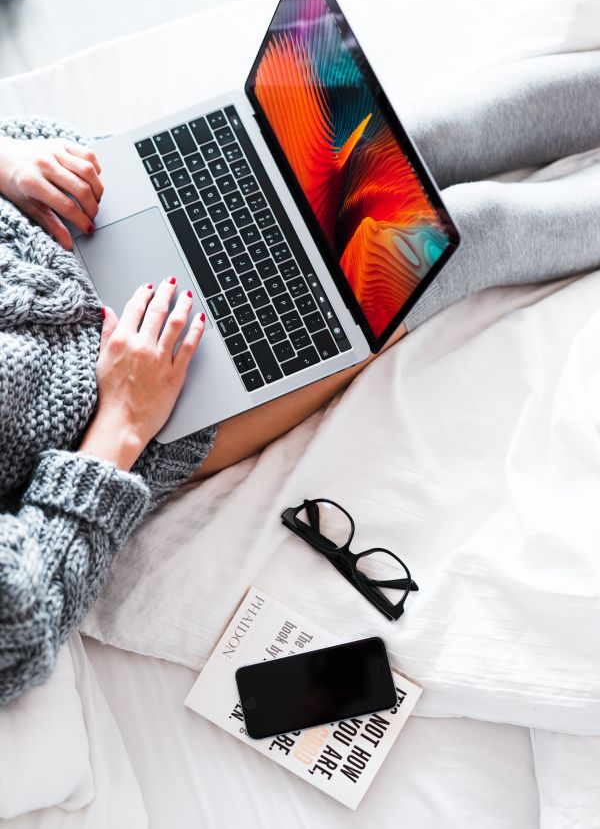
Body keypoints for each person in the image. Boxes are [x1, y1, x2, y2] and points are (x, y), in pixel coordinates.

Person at [1, 50, 599, 707]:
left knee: (418, 140)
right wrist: (122, 422)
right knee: (469, 228)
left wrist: (8, 164)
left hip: (72, 212)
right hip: (157, 395)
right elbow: (21, 622)